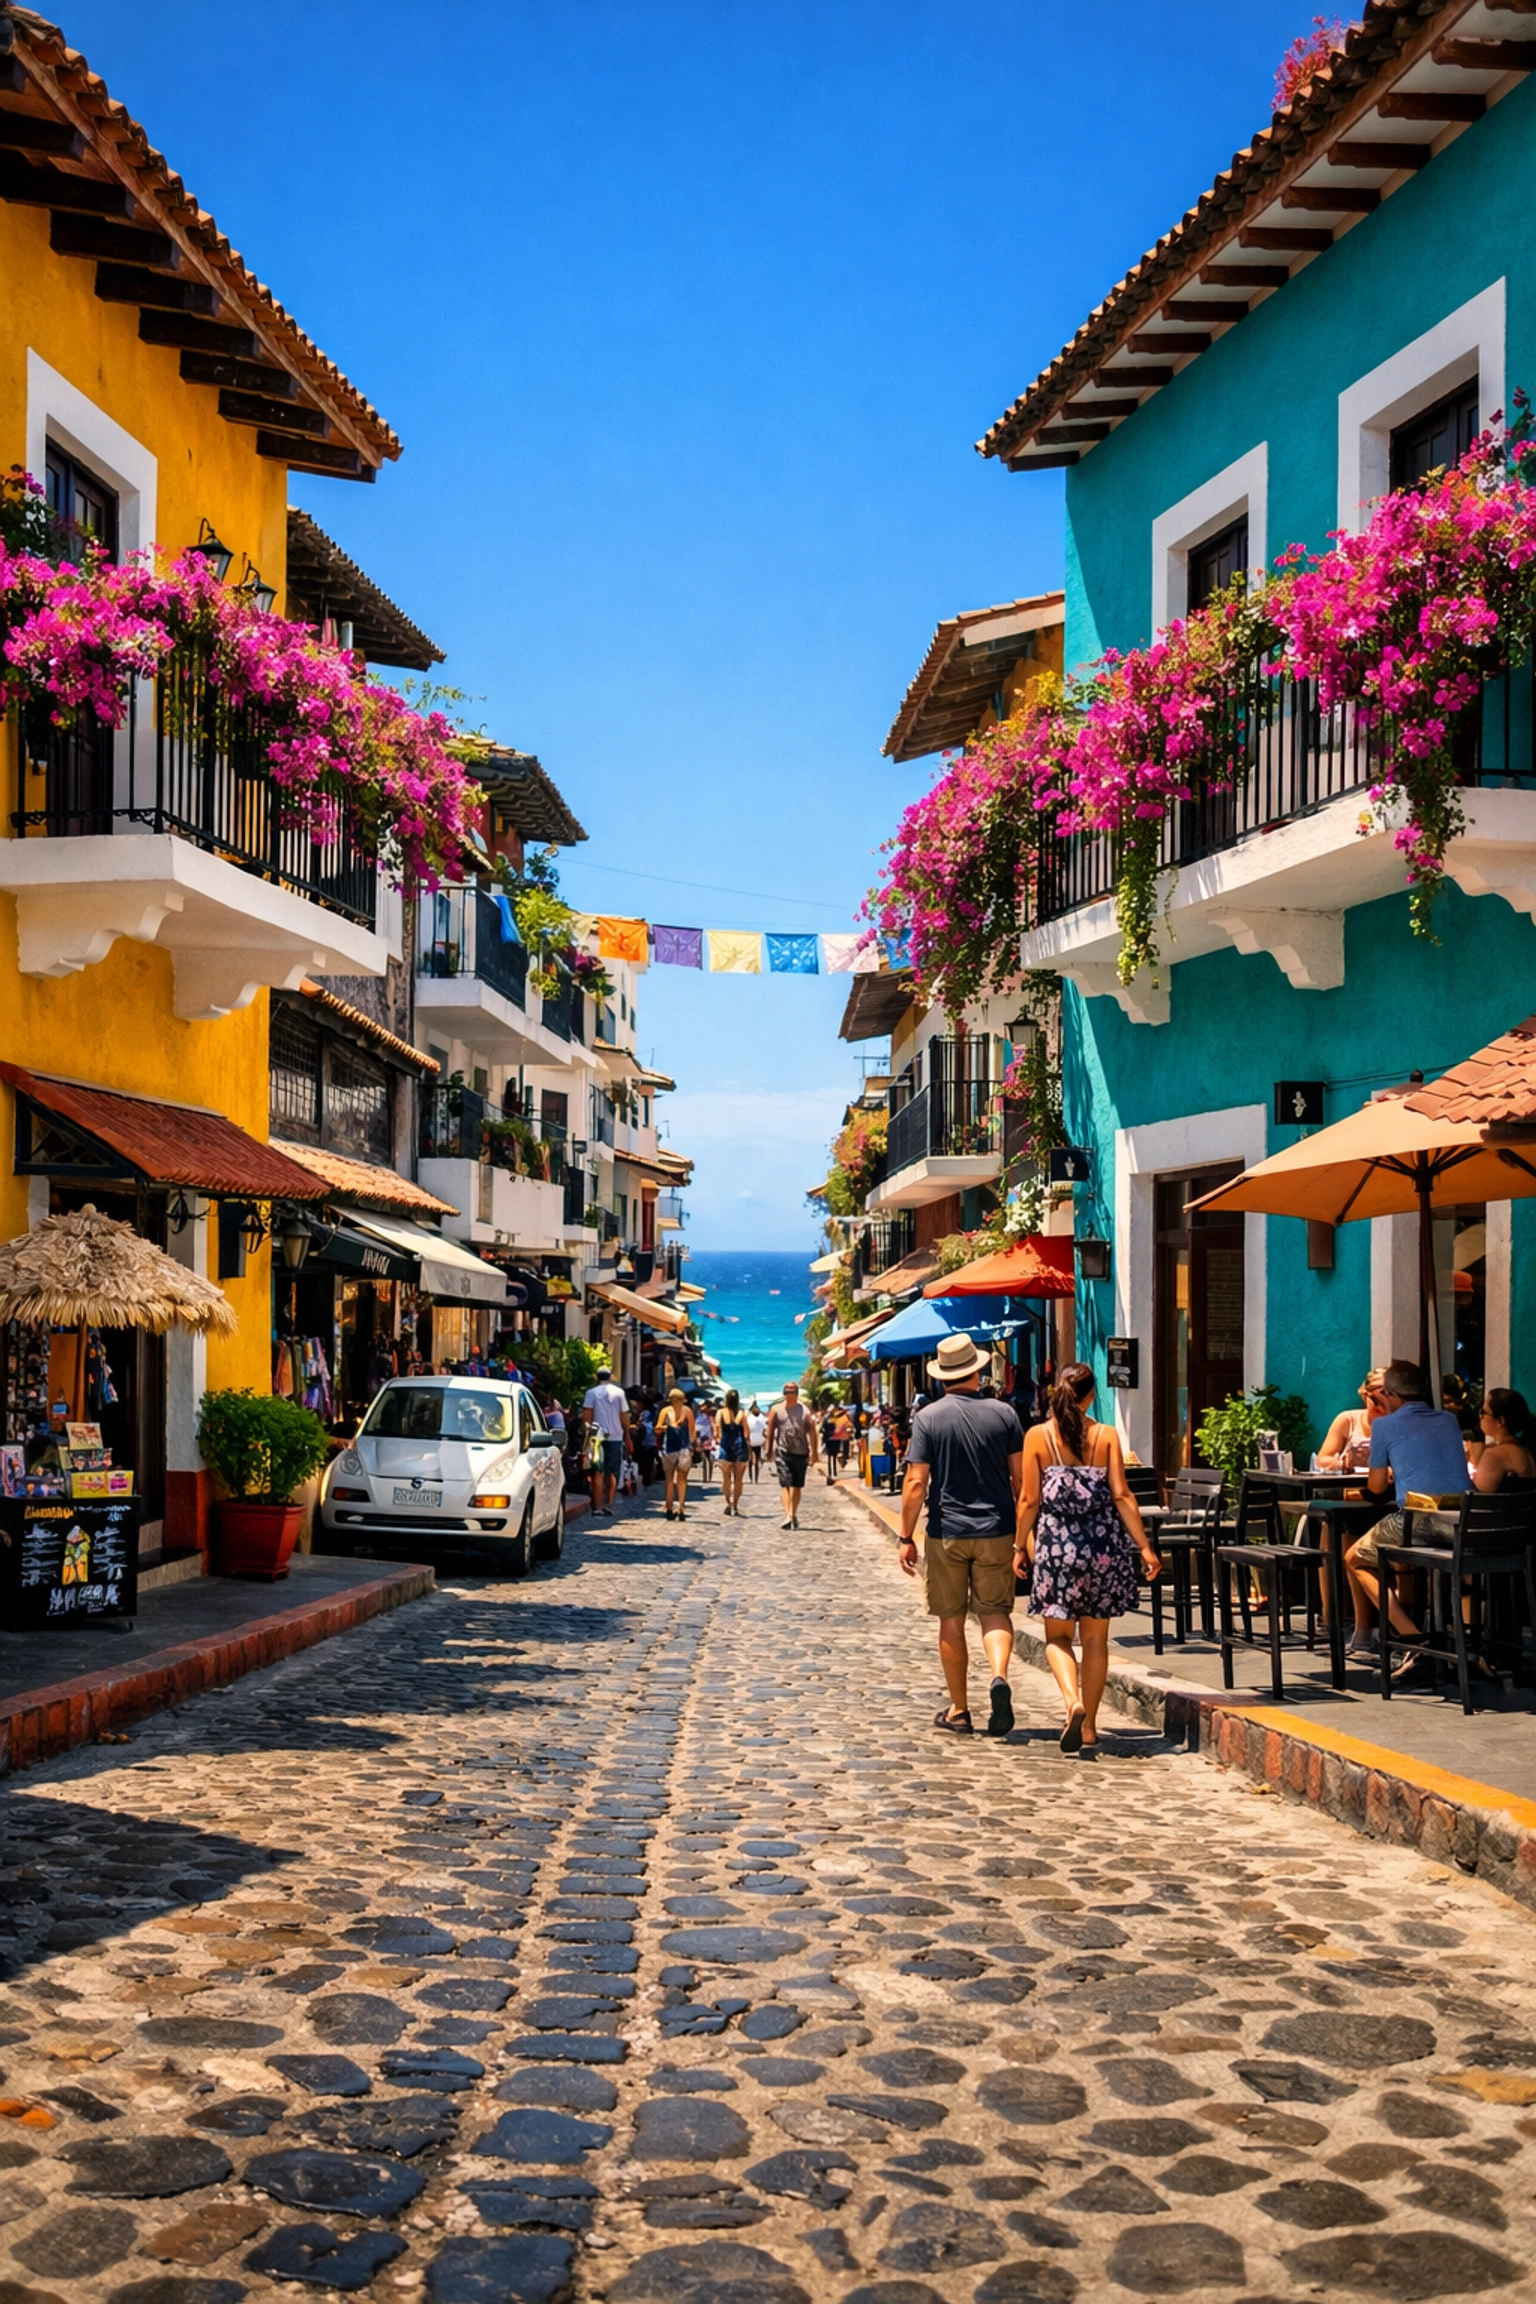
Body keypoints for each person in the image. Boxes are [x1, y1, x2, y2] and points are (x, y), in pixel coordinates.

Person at [1014, 1361, 1161, 1755]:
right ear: (1091, 1396)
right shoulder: (1106, 1436)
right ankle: (1092, 1725)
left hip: (1056, 1551)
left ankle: (1071, 1702)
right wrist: (1145, 1548)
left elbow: (1028, 1500)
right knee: (1096, 1639)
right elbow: (1122, 1495)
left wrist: (1019, 1546)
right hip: (1102, 1551)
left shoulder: (1037, 1437)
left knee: (1057, 1637)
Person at [898, 1330, 1025, 1739]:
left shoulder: (928, 1418)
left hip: (947, 1532)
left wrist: (905, 1536)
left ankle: (959, 1710)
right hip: (998, 1530)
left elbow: (916, 1482)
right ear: (976, 1370)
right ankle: (1000, 1676)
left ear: (942, 1375)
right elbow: (1021, 1482)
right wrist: (1025, 1537)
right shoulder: (1005, 1414)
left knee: (950, 1620)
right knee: (995, 1612)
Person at [1345, 1359, 1472, 1668]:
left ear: (1388, 1394)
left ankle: (1414, 1639)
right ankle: (1460, 1639)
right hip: (1467, 1523)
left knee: (1354, 1558)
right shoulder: (1449, 1420)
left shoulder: (1384, 1425)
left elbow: (1376, 1487)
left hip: (1421, 1519)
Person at [581, 1363, 632, 1519]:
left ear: (597, 1377)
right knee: (612, 1472)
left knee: (597, 1471)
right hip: (616, 1436)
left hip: (597, 1437)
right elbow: (624, 1416)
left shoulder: (591, 1393)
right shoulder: (619, 1393)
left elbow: (587, 1417)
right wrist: (627, 1434)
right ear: (610, 1377)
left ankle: (597, 1507)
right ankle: (609, 1505)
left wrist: (587, 1434)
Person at [766, 1381, 819, 1528]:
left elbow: (812, 1432)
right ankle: (788, 1515)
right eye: (787, 1392)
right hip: (783, 1452)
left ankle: (793, 1513)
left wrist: (814, 1453)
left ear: (797, 1393)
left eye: (792, 1392)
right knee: (785, 1484)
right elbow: (770, 1431)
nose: (789, 1395)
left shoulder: (805, 1411)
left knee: (797, 1485)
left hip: (801, 1452)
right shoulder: (776, 1410)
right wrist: (769, 1450)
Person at [1317, 1369, 1388, 1471]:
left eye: (1386, 1401)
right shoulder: (1348, 1421)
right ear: (1364, 1395)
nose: (1381, 1408)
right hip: (1351, 1480)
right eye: (1375, 1401)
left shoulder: (1401, 1425)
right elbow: (1321, 1460)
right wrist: (1342, 1463)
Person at [1472, 1388, 1535, 1491]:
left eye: (1483, 1412)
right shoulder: (1526, 1451)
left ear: (1500, 1421)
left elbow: (1477, 1497)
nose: (1481, 1416)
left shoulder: (1493, 1455)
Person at [657, 1388, 695, 1520]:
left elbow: (657, 1429)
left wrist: (667, 1427)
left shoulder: (665, 1411)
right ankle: (681, 1507)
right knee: (682, 1478)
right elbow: (692, 1431)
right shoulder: (687, 1411)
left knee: (669, 1478)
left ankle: (669, 1507)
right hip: (683, 1448)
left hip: (669, 1447)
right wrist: (693, 1446)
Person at [717, 1388, 750, 1516]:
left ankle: (728, 1502)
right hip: (740, 1448)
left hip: (725, 1447)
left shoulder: (720, 1413)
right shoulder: (742, 1414)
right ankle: (735, 1505)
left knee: (726, 1478)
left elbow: (717, 1430)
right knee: (738, 1480)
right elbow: (747, 1433)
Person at [693, 1403, 716, 1487]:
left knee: (708, 1456)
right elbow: (696, 1427)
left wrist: (714, 1436)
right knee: (703, 1457)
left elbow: (713, 1426)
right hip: (701, 1437)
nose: (701, 1407)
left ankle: (708, 1477)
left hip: (708, 1438)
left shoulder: (710, 1416)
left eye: (704, 1406)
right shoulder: (699, 1416)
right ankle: (705, 1477)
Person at [747, 1400, 767, 1483]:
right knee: (757, 1458)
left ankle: (751, 1478)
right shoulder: (761, 1417)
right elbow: (765, 1429)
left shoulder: (749, 1418)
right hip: (759, 1440)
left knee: (750, 1459)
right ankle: (756, 1478)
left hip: (750, 1440)